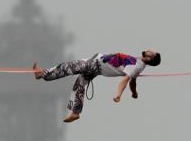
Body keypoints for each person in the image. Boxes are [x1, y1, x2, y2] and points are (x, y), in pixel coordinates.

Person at [33, 50, 161, 123]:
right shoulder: (138, 63)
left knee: (69, 66)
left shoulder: (137, 66)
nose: (149, 50)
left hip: (95, 65)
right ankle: (75, 112)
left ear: (149, 59)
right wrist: (134, 93)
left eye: (152, 53)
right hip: (95, 63)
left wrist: (118, 94)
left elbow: (126, 80)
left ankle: (42, 74)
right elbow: (133, 81)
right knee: (80, 84)